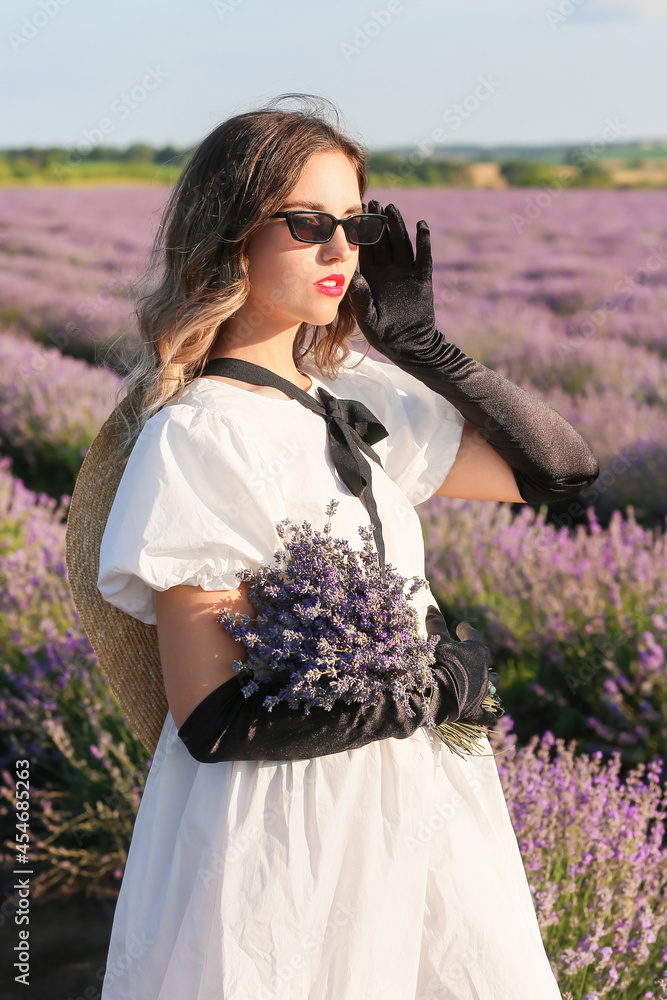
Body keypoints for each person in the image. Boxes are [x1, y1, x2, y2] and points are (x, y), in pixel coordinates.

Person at [88, 93, 597, 999]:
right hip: (290, 836)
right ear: (231, 236)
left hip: (422, 804)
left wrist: (422, 346)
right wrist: (427, 690)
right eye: (306, 224)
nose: (339, 252)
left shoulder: (349, 391)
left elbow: (559, 473)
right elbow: (212, 723)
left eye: (352, 224)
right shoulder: (202, 434)